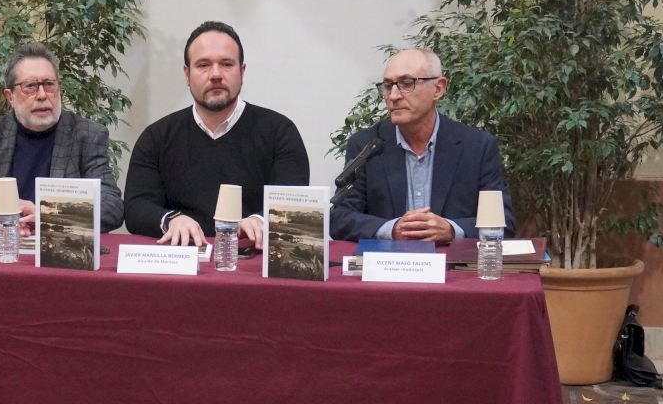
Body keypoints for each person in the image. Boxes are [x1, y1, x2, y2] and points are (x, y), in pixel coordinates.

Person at [124, 21, 310, 247]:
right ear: (187, 74)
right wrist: (170, 220)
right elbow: (136, 207)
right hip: (183, 256)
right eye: (203, 65)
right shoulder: (157, 137)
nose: (215, 75)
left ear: (242, 71)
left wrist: (261, 220)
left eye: (227, 64)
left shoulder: (280, 132)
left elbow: (294, 201)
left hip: (251, 257)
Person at [0, 43, 124, 234]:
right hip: (4, 246)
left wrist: (48, 216)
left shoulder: (87, 135)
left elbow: (112, 206)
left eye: (49, 84)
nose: (42, 95)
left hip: (59, 248)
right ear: (10, 96)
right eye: (30, 86)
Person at [329, 48, 514, 242]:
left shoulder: (477, 147)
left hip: (450, 259)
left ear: (438, 88)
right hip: (388, 259)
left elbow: (504, 223)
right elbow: (340, 217)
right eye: (388, 85)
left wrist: (451, 230)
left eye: (406, 84)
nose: (393, 96)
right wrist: (392, 230)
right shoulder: (366, 145)